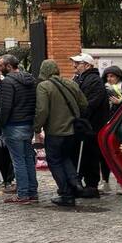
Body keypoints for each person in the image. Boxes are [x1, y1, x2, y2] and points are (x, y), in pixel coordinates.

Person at [34, 60, 88, 208]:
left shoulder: (44, 86)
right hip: (72, 131)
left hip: (55, 131)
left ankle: (66, 194)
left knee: (55, 161)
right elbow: (84, 104)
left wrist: (37, 127)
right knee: (66, 158)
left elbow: (42, 110)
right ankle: (76, 183)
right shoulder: (71, 83)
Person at [0, 54, 38, 204]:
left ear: (8, 66)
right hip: (28, 123)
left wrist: (1, 122)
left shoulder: (8, 82)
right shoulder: (30, 80)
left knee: (18, 161)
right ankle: (32, 192)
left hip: (13, 125)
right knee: (28, 159)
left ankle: (23, 194)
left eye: (0, 65)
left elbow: (6, 106)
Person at [70, 53, 108, 196]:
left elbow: (90, 104)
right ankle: (82, 183)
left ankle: (92, 186)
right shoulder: (79, 78)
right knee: (82, 155)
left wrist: (78, 114)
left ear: (87, 65)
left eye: (78, 63)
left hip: (91, 126)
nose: (74, 65)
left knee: (90, 155)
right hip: (83, 125)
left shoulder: (94, 81)